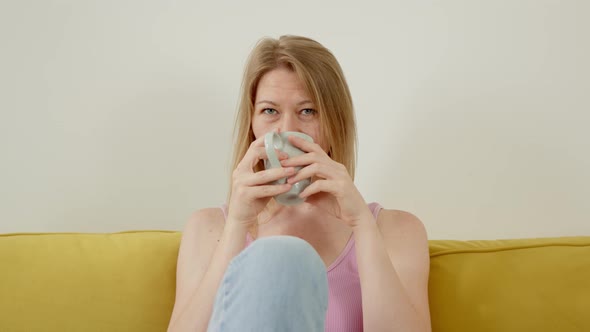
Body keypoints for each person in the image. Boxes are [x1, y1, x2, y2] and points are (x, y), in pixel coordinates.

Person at [167, 35, 431, 332]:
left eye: (308, 111)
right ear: (252, 125)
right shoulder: (209, 228)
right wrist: (237, 226)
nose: (287, 129)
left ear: (335, 125)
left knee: (287, 258)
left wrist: (362, 224)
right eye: (269, 111)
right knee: (281, 257)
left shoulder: (397, 231)